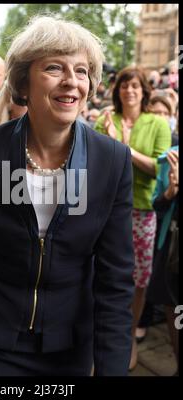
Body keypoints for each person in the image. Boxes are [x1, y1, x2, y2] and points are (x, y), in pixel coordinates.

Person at [0, 15, 135, 377]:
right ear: (23, 81)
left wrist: (112, 367)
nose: (72, 80)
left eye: (82, 71)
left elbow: (115, 279)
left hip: (67, 347)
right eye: (55, 67)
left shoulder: (112, 161)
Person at [94, 66, 171, 370]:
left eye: (135, 86)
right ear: (117, 90)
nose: (129, 91)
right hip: (105, 208)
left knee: (138, 278)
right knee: (100, 272)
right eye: (124, 85)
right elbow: (95, 164)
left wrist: (123, 149)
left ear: (144, 90)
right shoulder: (105, 119)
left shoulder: (157, 123)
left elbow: (158, 168)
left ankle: (127, 338)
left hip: (142, 209)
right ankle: (98, 333)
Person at [147, 147, 179, 371]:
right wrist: (170, 191)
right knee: (175, 307)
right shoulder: (171, 157)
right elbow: (156, 203)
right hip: (172, 246)